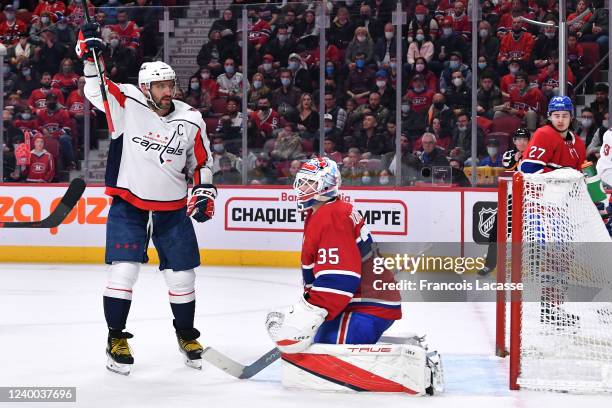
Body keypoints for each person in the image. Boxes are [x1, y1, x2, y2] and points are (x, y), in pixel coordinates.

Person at [77, 21, 215, 375]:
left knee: (183, 277)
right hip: (131, 205)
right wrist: (90, 56)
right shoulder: (127, 103)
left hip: (172, 210)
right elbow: (96, 89)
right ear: (145, 87)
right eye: (160, 85)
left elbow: (200, 162)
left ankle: (186, 335)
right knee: (123, 272)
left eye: (170, 84)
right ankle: (115, 338)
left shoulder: (191, 119)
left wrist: (203, 189)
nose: (168, 90)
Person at [265, 157, 402, 348]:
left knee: (326, 347)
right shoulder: (324, 212)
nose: (302, 189)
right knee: (318, 340)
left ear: (327, 185)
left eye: (310, 183)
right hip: (356, 302)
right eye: (301, 182)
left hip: (368, 306)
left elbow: (339, 278)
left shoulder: (331, 216)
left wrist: (313, 312)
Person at [478, 127, 530, 276]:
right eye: (518, 139)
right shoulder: (508, 155)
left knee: (527, 235)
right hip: (510, 199)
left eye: (525, 139)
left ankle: (527, 266)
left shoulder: (533, 156)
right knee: (496, 232)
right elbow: (508, 165)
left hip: (529, 200)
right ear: (514, 141)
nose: (521, 142)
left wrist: (525, 156)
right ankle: (490, 264)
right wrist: (518, 158)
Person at [520, 96, 586, 173]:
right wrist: (563, 176)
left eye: (565, 116)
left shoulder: (579, 143)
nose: (560, 120)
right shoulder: (543, 134)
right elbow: (529, 168)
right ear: (550, 117)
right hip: (545, 185)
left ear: (571, 117)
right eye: (557, 116)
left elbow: (583, 174)